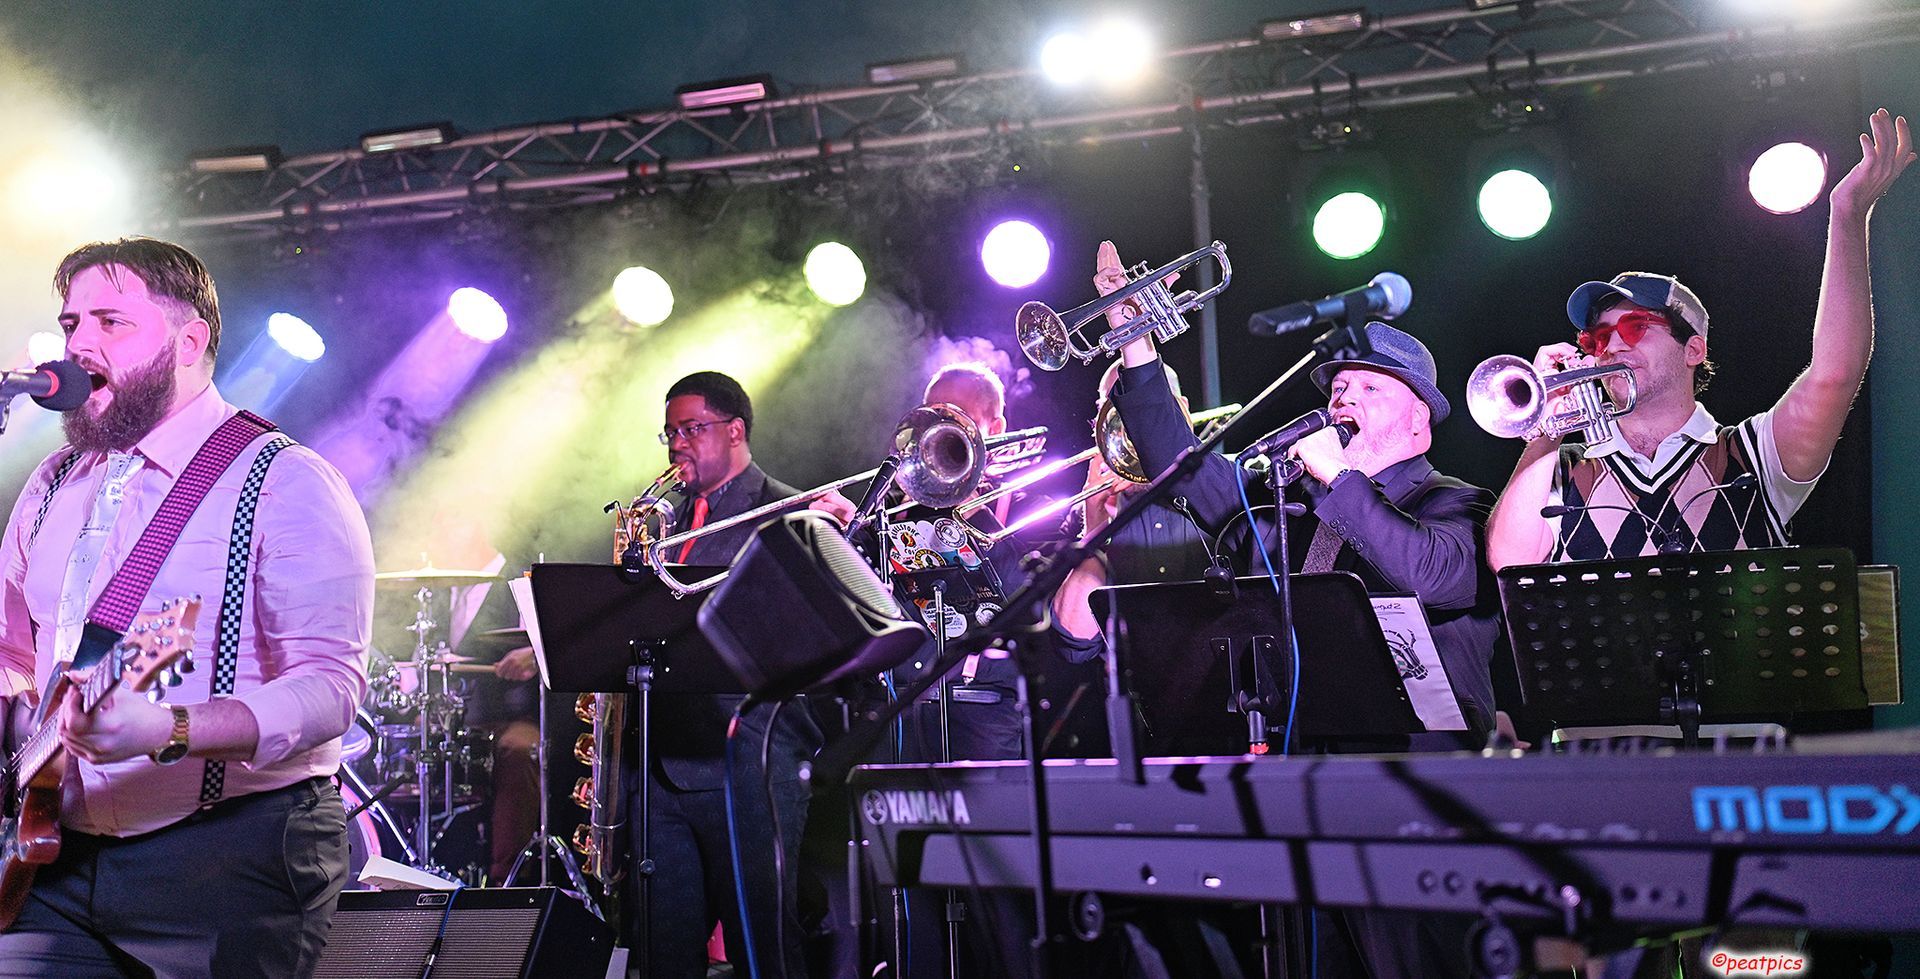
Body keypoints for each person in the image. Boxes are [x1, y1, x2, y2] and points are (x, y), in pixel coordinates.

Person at [1093, 240, 1499, 977]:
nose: (1340, 401)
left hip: (1421, 808)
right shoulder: (1291, 504)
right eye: (1336, 388)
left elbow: (1435, 576)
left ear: (1419, 422)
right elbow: (1182, 464)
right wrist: (1137, 342)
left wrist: (1342, 482)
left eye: (1366, 389)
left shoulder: (1460, 504)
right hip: (1304, 798)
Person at [0, 237, 374, 976]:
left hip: (232, 859)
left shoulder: (286, 480)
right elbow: (12, 651)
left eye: (111, 322)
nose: (79, 345)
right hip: (55, 854)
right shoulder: (49, 483)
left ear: (189, 339)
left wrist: (168, 724)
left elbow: (330, 689)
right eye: (72, 323)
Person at [1487, 108, 1913, 568]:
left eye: (1634, 327)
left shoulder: (1749, 456)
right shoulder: (1565, 468)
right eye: (1598, 338)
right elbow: (1508, 562)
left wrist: (1848, 215)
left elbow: (1835, 374)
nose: (1613, 346)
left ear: (1694, 348)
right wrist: (1545, 432)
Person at [635, 370, 819, 979]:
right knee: (666, 953)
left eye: (692, 429)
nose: (677, 445)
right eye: (670, 434)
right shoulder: (664, 526)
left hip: (746, 771)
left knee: (763, 951)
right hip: (662, 771)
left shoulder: (785, 511)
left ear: (735, 430)